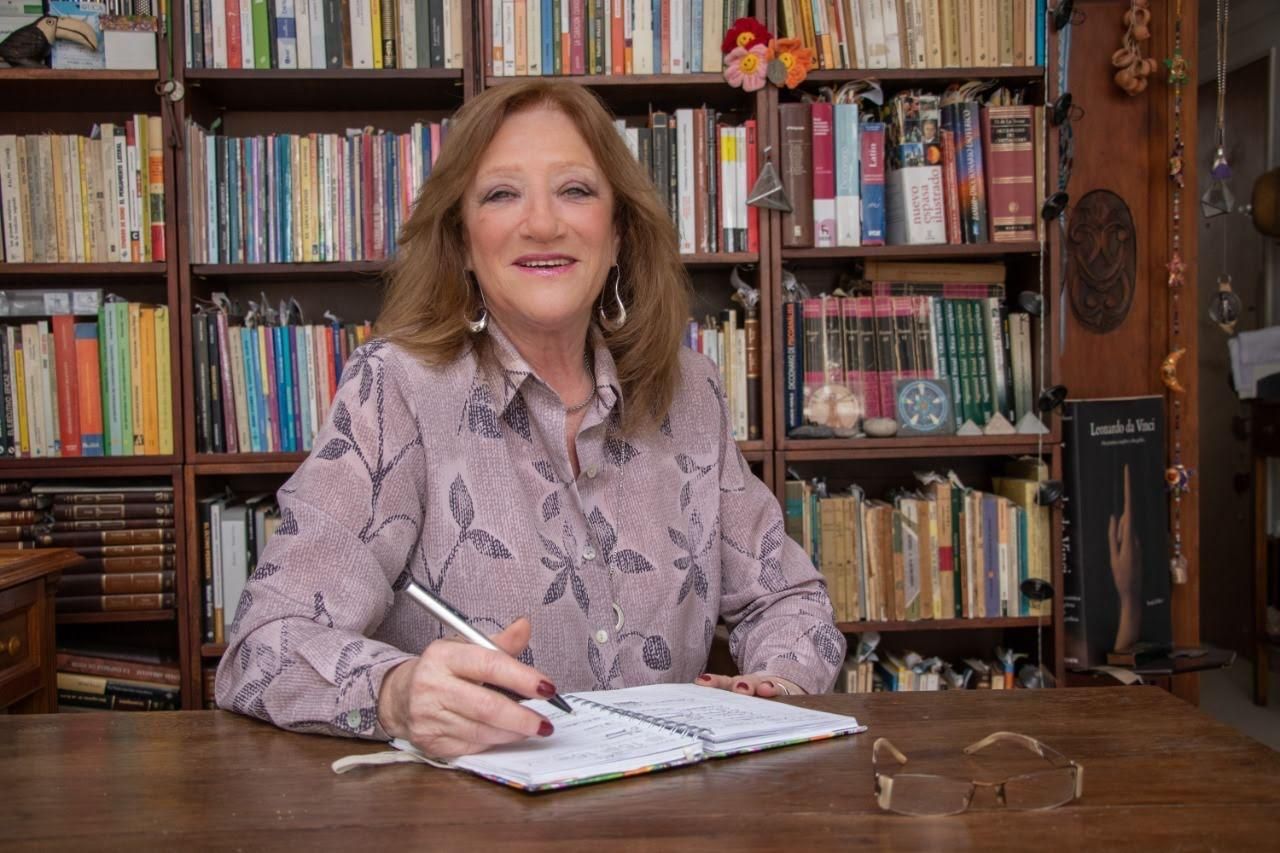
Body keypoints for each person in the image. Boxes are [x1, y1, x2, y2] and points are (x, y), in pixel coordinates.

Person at [215, 79, 845, 759]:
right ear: (461, 240)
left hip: (672, 817)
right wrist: (395, 693)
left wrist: (774, 687)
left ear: (619, 234)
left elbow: (790, 601)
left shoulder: (690, 390)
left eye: (575, 190)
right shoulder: (396, 390)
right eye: (501, 194)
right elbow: (263, 647)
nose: (543, 224)